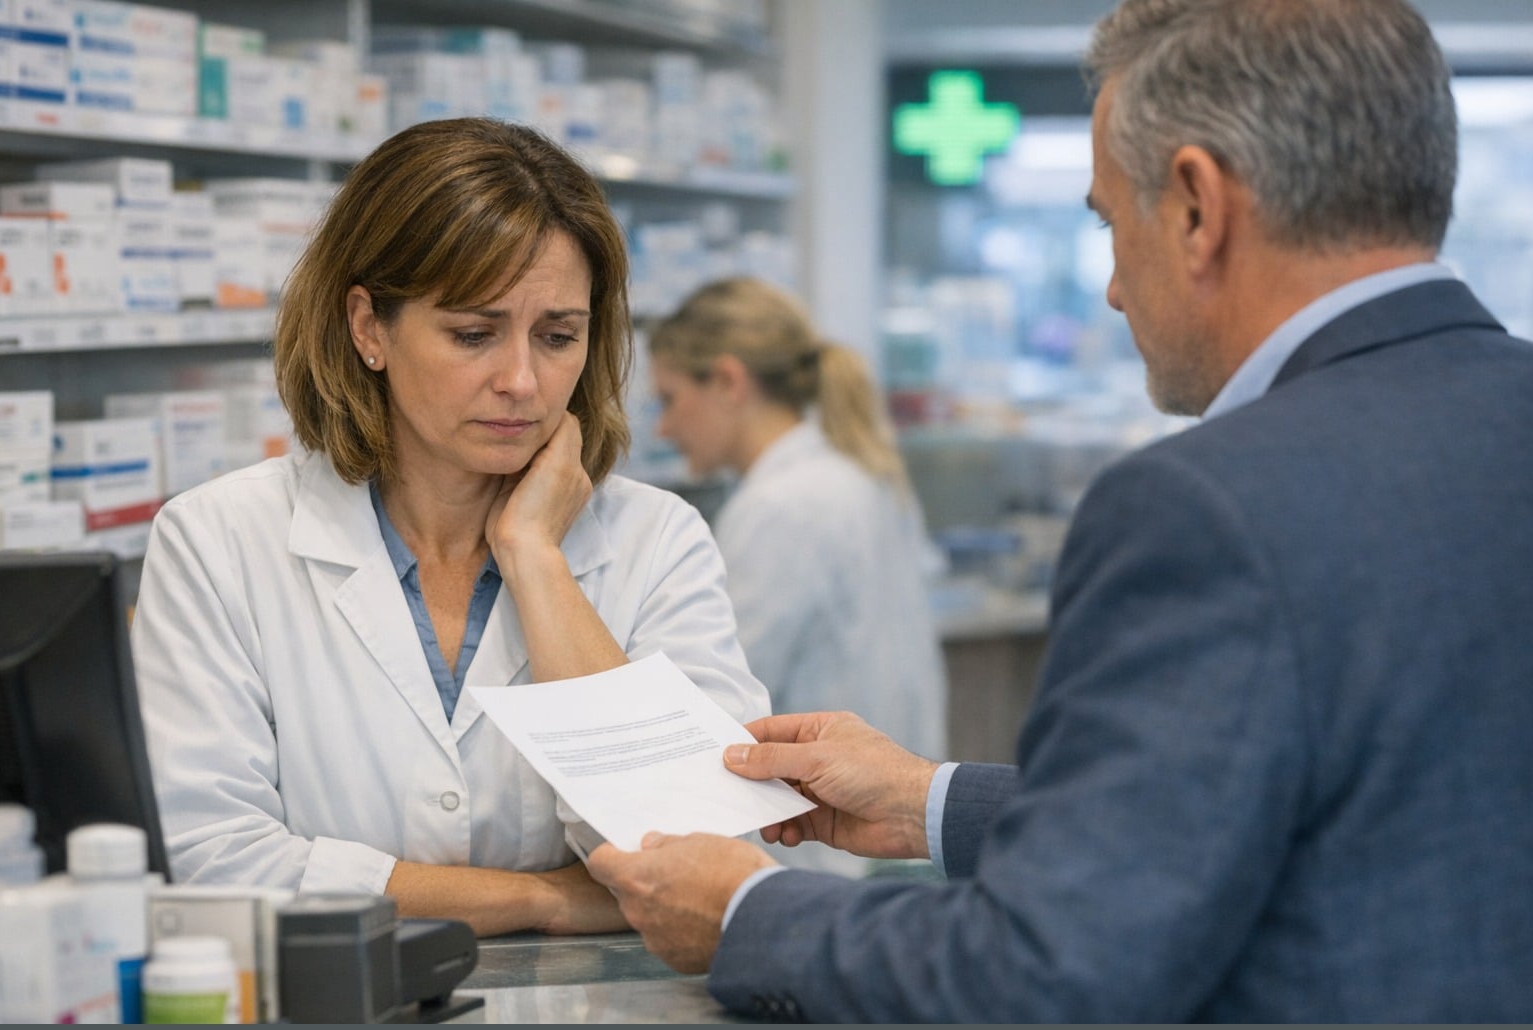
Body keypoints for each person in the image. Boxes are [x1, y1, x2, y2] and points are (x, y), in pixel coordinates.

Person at [587, 0, 1533, 1020]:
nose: (1116, 287)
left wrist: (749, 914)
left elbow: (1044, 972)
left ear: (1197, 208)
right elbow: (1353, 811)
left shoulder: (1205, 506)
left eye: (1107, 220)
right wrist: (929, 800)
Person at [131, 117, 771, 937]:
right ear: (369, 328)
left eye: (558, 336)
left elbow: (702, 859)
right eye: (473, 333)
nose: (521, 380)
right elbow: (212, 861)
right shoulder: (218, 541)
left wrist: (537, 559)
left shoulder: (658, 541)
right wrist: (542, 900)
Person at [646, 277, 949, 876]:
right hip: (892, 829)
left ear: (729, 382)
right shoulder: (858, 472)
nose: (664, 427)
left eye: (669, 399)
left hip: (823, 849)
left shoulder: (780, 506)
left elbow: (717, 697)